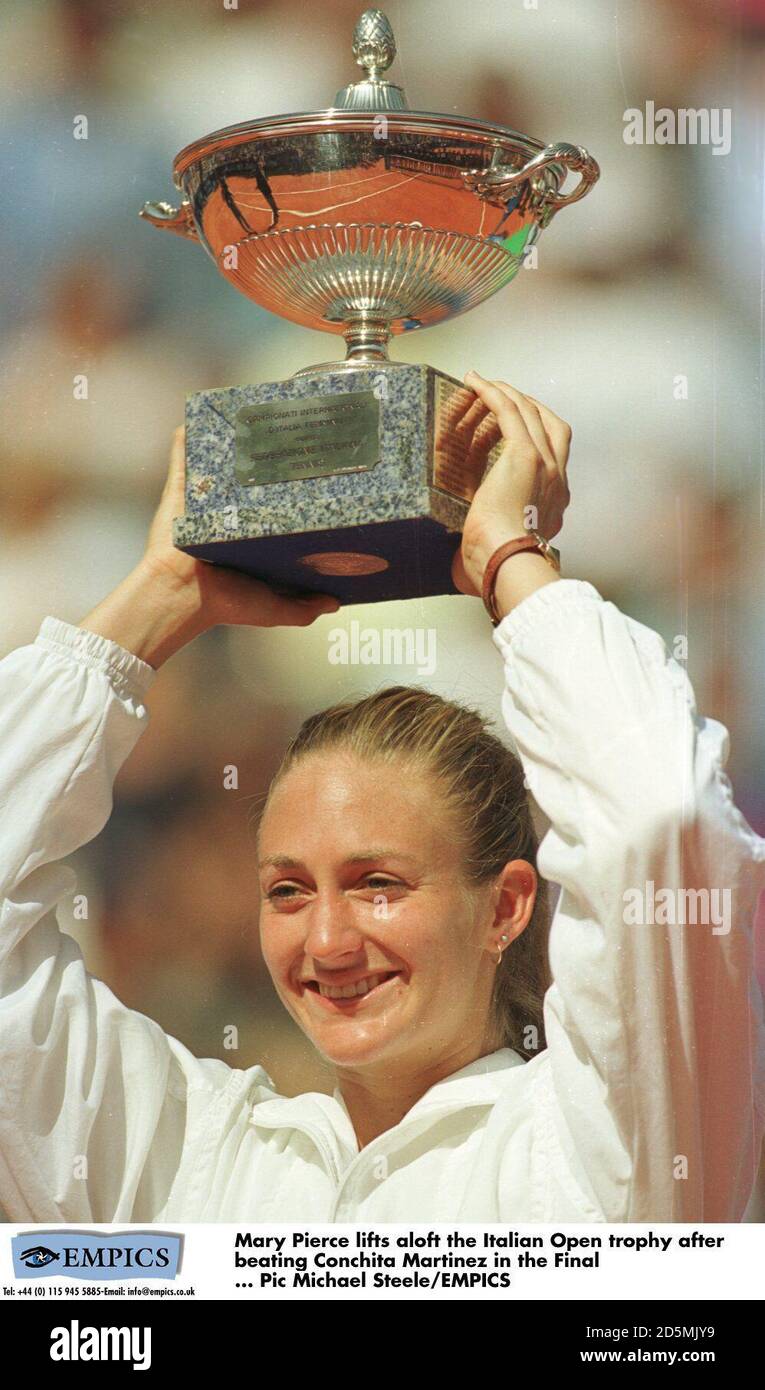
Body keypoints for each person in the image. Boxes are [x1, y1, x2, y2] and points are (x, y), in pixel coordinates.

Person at [0, 372, 763, 1224]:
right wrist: (163, 594)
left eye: (378, 884)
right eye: (287, 890)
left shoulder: (610, 1147)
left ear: (506, 906)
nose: (325, 942)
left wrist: (511, 564)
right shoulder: (183, 1159)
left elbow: (658, 817)